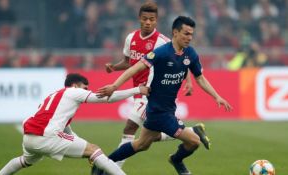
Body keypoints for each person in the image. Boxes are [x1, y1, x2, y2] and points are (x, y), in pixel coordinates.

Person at [93, 16, 233, 175]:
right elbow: (134, 68)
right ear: (175, 32)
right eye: (186, 34)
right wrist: (114, 86)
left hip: (167, 109)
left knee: (141, 144)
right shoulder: (160, 53)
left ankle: (102, 163)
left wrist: (216, 96)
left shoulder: (190, 54)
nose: (189, 38)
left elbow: (199, 78)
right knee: (194, 141)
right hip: (158, 112)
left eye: (191, 34)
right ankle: (176, 160)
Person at [0, 73, 149, 175]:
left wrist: (84, 148)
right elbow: (105, 98)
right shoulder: (72, 92)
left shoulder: (54, 96)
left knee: (25, 160)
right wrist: (137, 90)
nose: (86, 91)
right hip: (47, 136)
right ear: (75, 85)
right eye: (85, 88)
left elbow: (68, 132)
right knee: (94, 150)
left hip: (30, 138)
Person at [104, 1, 194, 168]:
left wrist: (188, 80)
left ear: (156, 20)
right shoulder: (130, 38)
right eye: (145, 19)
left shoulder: (163, 41)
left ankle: (111, 167)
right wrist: (114, 67)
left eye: (151, 19)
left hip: (151, 92)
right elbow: (129, 62)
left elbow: (181, 57)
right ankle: (191, 132)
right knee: (147, 138)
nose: (148, 22)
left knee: (131, 128)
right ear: (139, 18)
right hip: (137, 91)